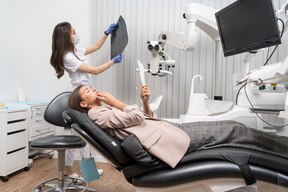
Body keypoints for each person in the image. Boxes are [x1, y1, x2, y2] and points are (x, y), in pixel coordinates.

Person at [67, 84, 288, 168]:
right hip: (168, 140)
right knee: (236, 130)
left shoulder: (102, 112)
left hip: (165, 132)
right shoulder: (98, 114)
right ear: (84, 104)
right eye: (87, 91)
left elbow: (140, 120)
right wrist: (115, 102)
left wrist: (144, 102)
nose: (93, 89)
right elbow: (135, 118)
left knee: (235, 129)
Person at [50, 21, 121, 180]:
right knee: (78, 136)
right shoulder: (68, 57)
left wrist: (107, 32)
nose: (76, 34)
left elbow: (96, 46)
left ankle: (87, 170)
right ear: (65, 37)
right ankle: (68, 170)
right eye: (73, 32)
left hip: (86, 93)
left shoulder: (75, 51)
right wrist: (113, 62)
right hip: (80, 95)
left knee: (87, 134)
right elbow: (95, 71)